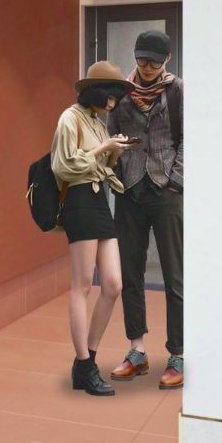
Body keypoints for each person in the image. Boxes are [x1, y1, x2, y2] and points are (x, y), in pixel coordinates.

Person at [51, 61, 135, 396]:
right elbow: (64, 165)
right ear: (96, 92)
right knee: (82, 285)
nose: (113, 102)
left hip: (100, 200)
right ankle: (85, 366)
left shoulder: (98, 123)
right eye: (110, 96)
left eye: (116, 97)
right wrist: (104, 148)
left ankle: (87, 360)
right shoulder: (69, 118)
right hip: (79, 200)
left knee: (113, 284)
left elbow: (99, 163)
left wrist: (114, 150)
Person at [107, 30, 184, 389]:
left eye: (154, 60)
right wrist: (117, 172)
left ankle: (178, 353)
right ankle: (136, 350)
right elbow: (110, 137)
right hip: (130, 192)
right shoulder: (122, 93)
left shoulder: (177, 90)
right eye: (142, 60)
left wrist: (176, 181)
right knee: (130, 273)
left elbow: (188, 138)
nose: (148, 67)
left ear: (166, 59)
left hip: (166, 192)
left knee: (174, 274)